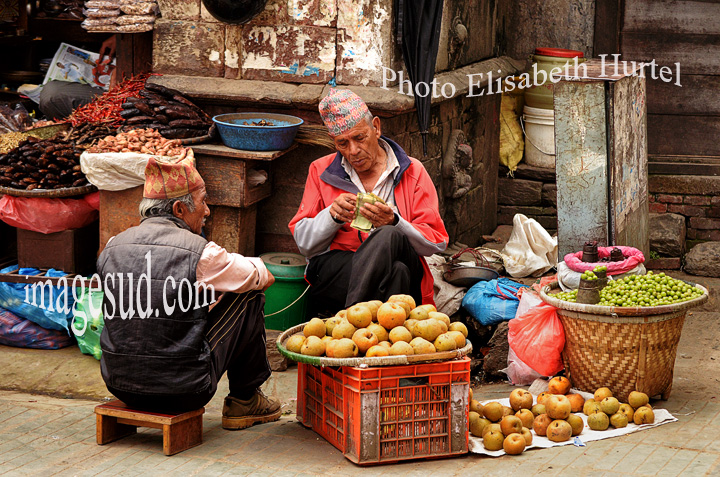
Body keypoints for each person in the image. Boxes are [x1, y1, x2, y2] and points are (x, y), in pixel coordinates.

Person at [97, 155, 281, 430]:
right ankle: (245, 399)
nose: (207, 211)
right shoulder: (201, 253)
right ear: (180, 209)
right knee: (248, 295)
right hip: (184, 391)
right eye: (204, 201)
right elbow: (262, 276)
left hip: (119, 385)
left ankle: (244, 400)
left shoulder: (111, 246)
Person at [288, 89, 449, 317]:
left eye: (359, 138)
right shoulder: (320, 170)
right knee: (397, 273)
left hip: (398, 263)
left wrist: (395, 221)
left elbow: (436, 243)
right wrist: (331, 216)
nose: (353, 151)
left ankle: (351, 319)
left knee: (389, 236)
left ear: (376, 127)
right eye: (342, 143)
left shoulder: (412, 171)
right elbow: (305, 245)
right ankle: (383, 336)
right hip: (340, 270)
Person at [38, 35, 117, 120]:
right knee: (49, 92)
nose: (61, 66)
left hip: (115, 92)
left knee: (52, 96)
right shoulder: (62, 70)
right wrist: (118, 37)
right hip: (100, 85)